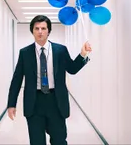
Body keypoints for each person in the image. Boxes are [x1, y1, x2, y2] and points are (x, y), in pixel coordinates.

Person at [6, 15, 92, 145]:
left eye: (43, 28)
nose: (40, 31)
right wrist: (11, 104)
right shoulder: (25, 53)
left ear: (48, 31)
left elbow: (72, 69)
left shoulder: (60, 50)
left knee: (59, 140)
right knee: (36, 141)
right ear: (32, 31)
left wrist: (83, 54)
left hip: (56, 101)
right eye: (37, 28)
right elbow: (17, 79)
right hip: (34, 103)